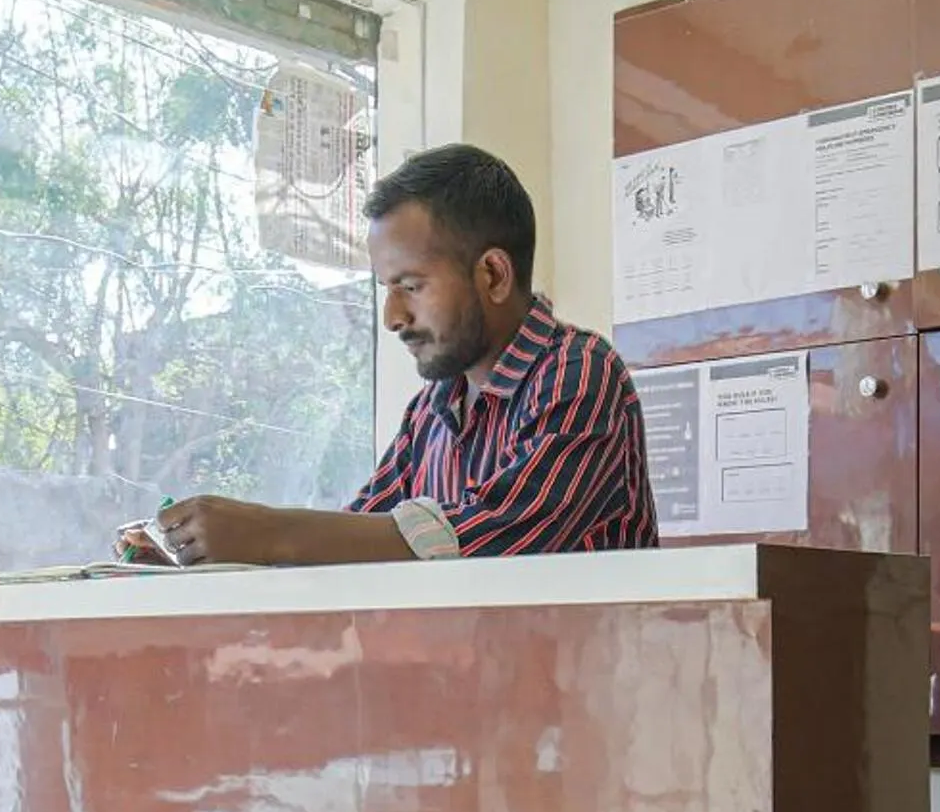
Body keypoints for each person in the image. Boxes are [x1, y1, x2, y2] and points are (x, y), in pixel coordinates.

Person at [118, 144, 658, 567]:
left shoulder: (580, 374)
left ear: (493, 274)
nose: (393, 317)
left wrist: (270, 533)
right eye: (386, 289)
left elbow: (497, 536)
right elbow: (362, 537)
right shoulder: (432, 412)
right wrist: (200, 550)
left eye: (411, 285)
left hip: (590, 696)